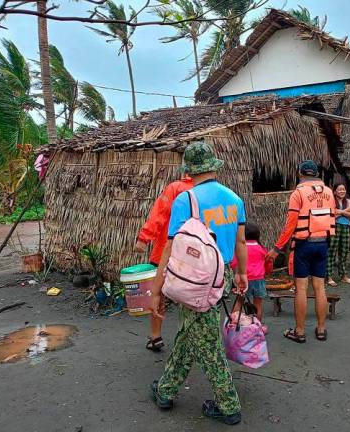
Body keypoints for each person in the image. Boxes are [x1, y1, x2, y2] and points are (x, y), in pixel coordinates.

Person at [149, 140, 248, 426]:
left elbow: (170, 248)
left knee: (208, 343)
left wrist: (157, 289)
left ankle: (229, 405)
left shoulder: (186, 200)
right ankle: (165, 390)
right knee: (191, 332)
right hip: (224, 275)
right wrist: (242, 274)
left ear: (190, 170)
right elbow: (241, 241)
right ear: (213, 166)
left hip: (195, 282)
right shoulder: (234, 198)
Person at [266, 160, 335, 343]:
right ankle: (321, 330)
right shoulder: (329, 192)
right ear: (316, 174)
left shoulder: (298, 194)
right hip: (322, 244)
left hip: (304, 246)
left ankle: (300, 331)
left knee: (301, 289)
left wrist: (276, 249)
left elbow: (290, 225)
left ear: (300, 174)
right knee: (320, 287)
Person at [135, 174, 193, 351]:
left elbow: (159, 213)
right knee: (192, 296)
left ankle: (155, 336)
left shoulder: (175, 188)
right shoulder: (208, 192)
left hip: (166, 251)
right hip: (194, 256)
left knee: (158, 294)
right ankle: (189, 339)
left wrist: (144, 238)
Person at [231, 221, 272, 332]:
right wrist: (266, 272)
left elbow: (234, 263)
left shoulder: (241, 248)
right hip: (259, 279)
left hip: (244, 280)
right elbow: (268, 263)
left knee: (239, 300)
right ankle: (257, 327)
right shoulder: (261, 248)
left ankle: (234, 323)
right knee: (257, 303)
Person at [327, 183, 350, 287]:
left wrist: (339, 212)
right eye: (339, 189)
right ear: (334, 191)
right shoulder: (331, 201)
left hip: (346, 227)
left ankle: (343, 276)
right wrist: (345, 212)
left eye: (343, 189)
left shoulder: (348, 201)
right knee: (331, 251)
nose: (342, 191)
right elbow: (331, 214)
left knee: (344, 251)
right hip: (334, 226)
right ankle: (329, 276)